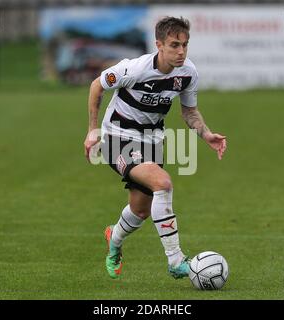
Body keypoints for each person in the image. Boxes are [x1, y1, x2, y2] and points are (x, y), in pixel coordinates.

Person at [83, 17, 227, 280]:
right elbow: (97, 85)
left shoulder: (188, 73)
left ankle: (113, 240)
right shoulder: (134, 69)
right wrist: (93, 130)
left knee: (140, 211)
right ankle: (175, 260)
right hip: (117, 136)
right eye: (174, 45)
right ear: (159, 45)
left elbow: (189, 111)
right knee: (163, 182)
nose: (181, 51)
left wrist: (206, 134)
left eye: (185, 45)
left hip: (151, 140)